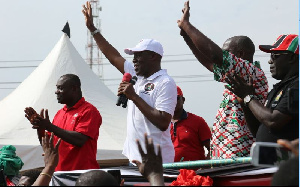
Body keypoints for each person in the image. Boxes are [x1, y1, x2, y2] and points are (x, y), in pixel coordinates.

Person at [82, 2, 177, 164]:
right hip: (134, 158)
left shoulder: (165, 83)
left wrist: (134, 97)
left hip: (158, 161)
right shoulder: (136, 74)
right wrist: (93, 29)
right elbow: (114, 57)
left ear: (153, 57)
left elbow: (163, 122)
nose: (134, 60)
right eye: (133, 55)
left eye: (138, 55)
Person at [177, 1, 269, 159]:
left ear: (240, 54)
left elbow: (214, 55)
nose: (222, 57)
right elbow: (210, 64)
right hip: (225, 157)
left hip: (239, 158)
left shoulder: (252, 73)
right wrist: (187, 38)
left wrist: (187, 26)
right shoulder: (238, 74)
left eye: (227, 53)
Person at [225, 34, 299, 143]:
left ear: (292, 58)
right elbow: (258, 130)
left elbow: (274, 121)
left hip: (286, 157)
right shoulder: (278, 89)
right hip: (269, 157)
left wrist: (248, 97)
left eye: (274, 55)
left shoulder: (297, 86)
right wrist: (244, 103)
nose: (270, 61)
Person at [24, 74, 102, 171]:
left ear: (74, 89)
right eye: (57, 88)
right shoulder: (60, 113)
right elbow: (48, 147)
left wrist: (49, 127)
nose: (56, 92)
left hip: (81, 174)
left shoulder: (89, 111)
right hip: (58, 173)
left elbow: (80, 140)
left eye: (60, 88)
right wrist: (40, 127)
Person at [170, 86, 211, 162]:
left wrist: (205, 167)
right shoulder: (160, 123)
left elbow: (212, 149)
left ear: (183, 100)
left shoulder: (198, 121)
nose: (173, 101)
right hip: (168, 172)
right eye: (169, 99)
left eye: (176, 98)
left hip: (195, 172)